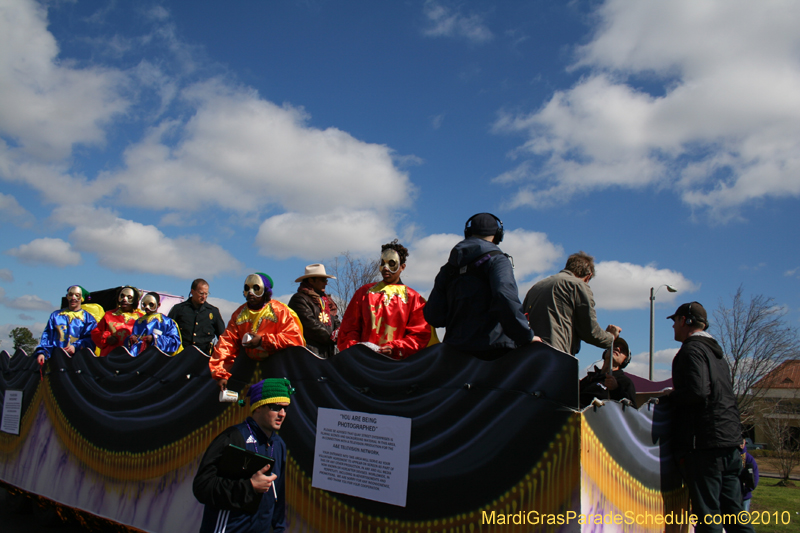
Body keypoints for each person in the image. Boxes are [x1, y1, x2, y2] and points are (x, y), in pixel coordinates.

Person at [662, 302, 754, 533]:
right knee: (735, 517)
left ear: (685, 320)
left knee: (708, 520)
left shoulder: (692, 350)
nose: (673, 326)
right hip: (730, 443)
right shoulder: (718, 356)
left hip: (705, 446)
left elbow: (698, 391)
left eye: (675, 320)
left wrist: (670, 397)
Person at [424, 213, 535, 359]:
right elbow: (504, 296)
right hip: (494, 353)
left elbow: (433, 316)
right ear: (498, 235)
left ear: (468, 233)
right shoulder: (498, 260)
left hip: (454, 353)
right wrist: (525, 335)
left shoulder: (448, 269)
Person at [193, 378, 293, 533]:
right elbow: (202, 487)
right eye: (275, 407)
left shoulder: (278, 444)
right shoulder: (233, 437)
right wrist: (249, 486)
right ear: (258, 407)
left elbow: (277, 495)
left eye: (285, 409)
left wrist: (279, 528)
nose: (282, 414)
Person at [337, 240, 435, 359]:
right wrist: (356, 349)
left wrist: (395, 348)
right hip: (364, 363)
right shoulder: (364, 293)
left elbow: (420, 335)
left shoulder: (415, 299)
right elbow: (349, 328)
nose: (385, 268)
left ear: (402, 267)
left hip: (397, 367)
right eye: (383, 263)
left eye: (391, 263)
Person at [210, 273, 305, 391]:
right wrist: (221, 374)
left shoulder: (281, 312)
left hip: (278, 371)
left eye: (256, 288)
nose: (250, 292)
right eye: (247, 288)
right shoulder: (239, 314)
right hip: (249, 372)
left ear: (265, 291)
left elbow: (295, 339)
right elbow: (226, 343)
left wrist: (262, 341)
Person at [523, 251, 621, 356]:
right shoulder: (578, 285)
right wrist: (610, 337)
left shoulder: (537, 286)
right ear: (588, 276)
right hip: (555, 354)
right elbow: (589, 332)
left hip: (528, 353)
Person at [34, 285, 99, 365]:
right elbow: (47, 336)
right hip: (56, 361)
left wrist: (75, 347)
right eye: (70, 295)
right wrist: (42, 352)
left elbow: (91, 339)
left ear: (81, 298)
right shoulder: (56, 316)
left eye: (77, 296)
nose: (73, 298)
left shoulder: (88, 318)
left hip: (78, 362)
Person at [288, 264, 340, 358]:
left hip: (327, 355)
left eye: (326, 280)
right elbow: (310, 326)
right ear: (311, 280)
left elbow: (335, 321)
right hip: (307, 355)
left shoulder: (327, 301)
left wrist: (340, 333)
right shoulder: (299, 299)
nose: (326, 283)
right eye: (323, 280)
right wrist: (332, 338)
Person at [168, 278, 226, 355]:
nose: (204, 296)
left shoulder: (213, 312)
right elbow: (167, 332)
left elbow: (223, 337)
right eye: (201, 293)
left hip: (203, 358)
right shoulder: (179, 309)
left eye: (206, 294)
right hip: (181, 355)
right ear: (192, 291)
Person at [579, 337, 637, 408]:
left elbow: (631, 411)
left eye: (623, 350)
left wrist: (615, 389)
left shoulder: (625, 382)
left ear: (625, 361)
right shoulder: (590, 377)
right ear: (605, 352)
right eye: (614, 345)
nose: (617, 348)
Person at [91, 286, 145, 357]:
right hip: (109, 357)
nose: (124, 299)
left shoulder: (141, 319)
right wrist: (107, 338)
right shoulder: (108, 315)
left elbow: (146, 339)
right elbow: (95, 333)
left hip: (132, 359)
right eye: (122, 296)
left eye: (129, 297)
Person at [127, 292, 183, 357]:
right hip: (140, 359)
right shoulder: (139, 322)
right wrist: (131, 339)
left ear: (158, 305)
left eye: (151, 304)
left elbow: (174, 342)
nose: (147, 307)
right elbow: (133, 339)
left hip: (158, 359)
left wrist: (155, 339)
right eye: (145, 304)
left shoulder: (167, 322)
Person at [740, 439, 759, 512]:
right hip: (732, 495)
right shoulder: (732, 457)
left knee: (743, 519)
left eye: (742, 442)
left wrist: (749, 489)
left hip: (745, 496)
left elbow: (755, 475)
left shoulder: (749, 458)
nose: (740, 444)